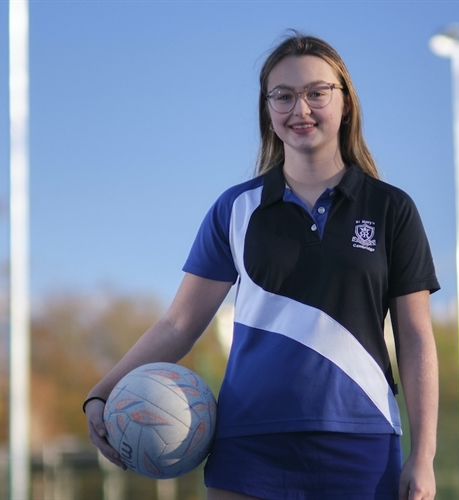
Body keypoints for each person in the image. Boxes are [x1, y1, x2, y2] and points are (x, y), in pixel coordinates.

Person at [85, 32, 440, 500]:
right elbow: (179, 322)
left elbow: (415, 337)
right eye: (284, 96)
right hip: (249, 447)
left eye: (317, 92)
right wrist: (103, 391)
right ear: (268, 111)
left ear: (346, 103)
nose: (301, 109)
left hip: (362, 441)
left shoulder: (392, 209)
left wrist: (424, 456)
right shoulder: (235, 208)